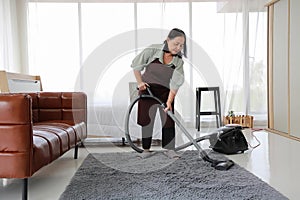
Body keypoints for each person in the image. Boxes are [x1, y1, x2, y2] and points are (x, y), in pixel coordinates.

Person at [131, 28, 187, 159]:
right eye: (176, 44)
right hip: (147, 90)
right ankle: (146, 149)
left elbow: (176, 83)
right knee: (146, 120)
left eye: (181, 45)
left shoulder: (178, 61)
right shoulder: (152, 50)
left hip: (165, 92)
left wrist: (169, 101)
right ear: (168, 40)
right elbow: (136, 66)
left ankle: (170, 149)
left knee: (168, 119)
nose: (178, 48)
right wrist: (140, 83)